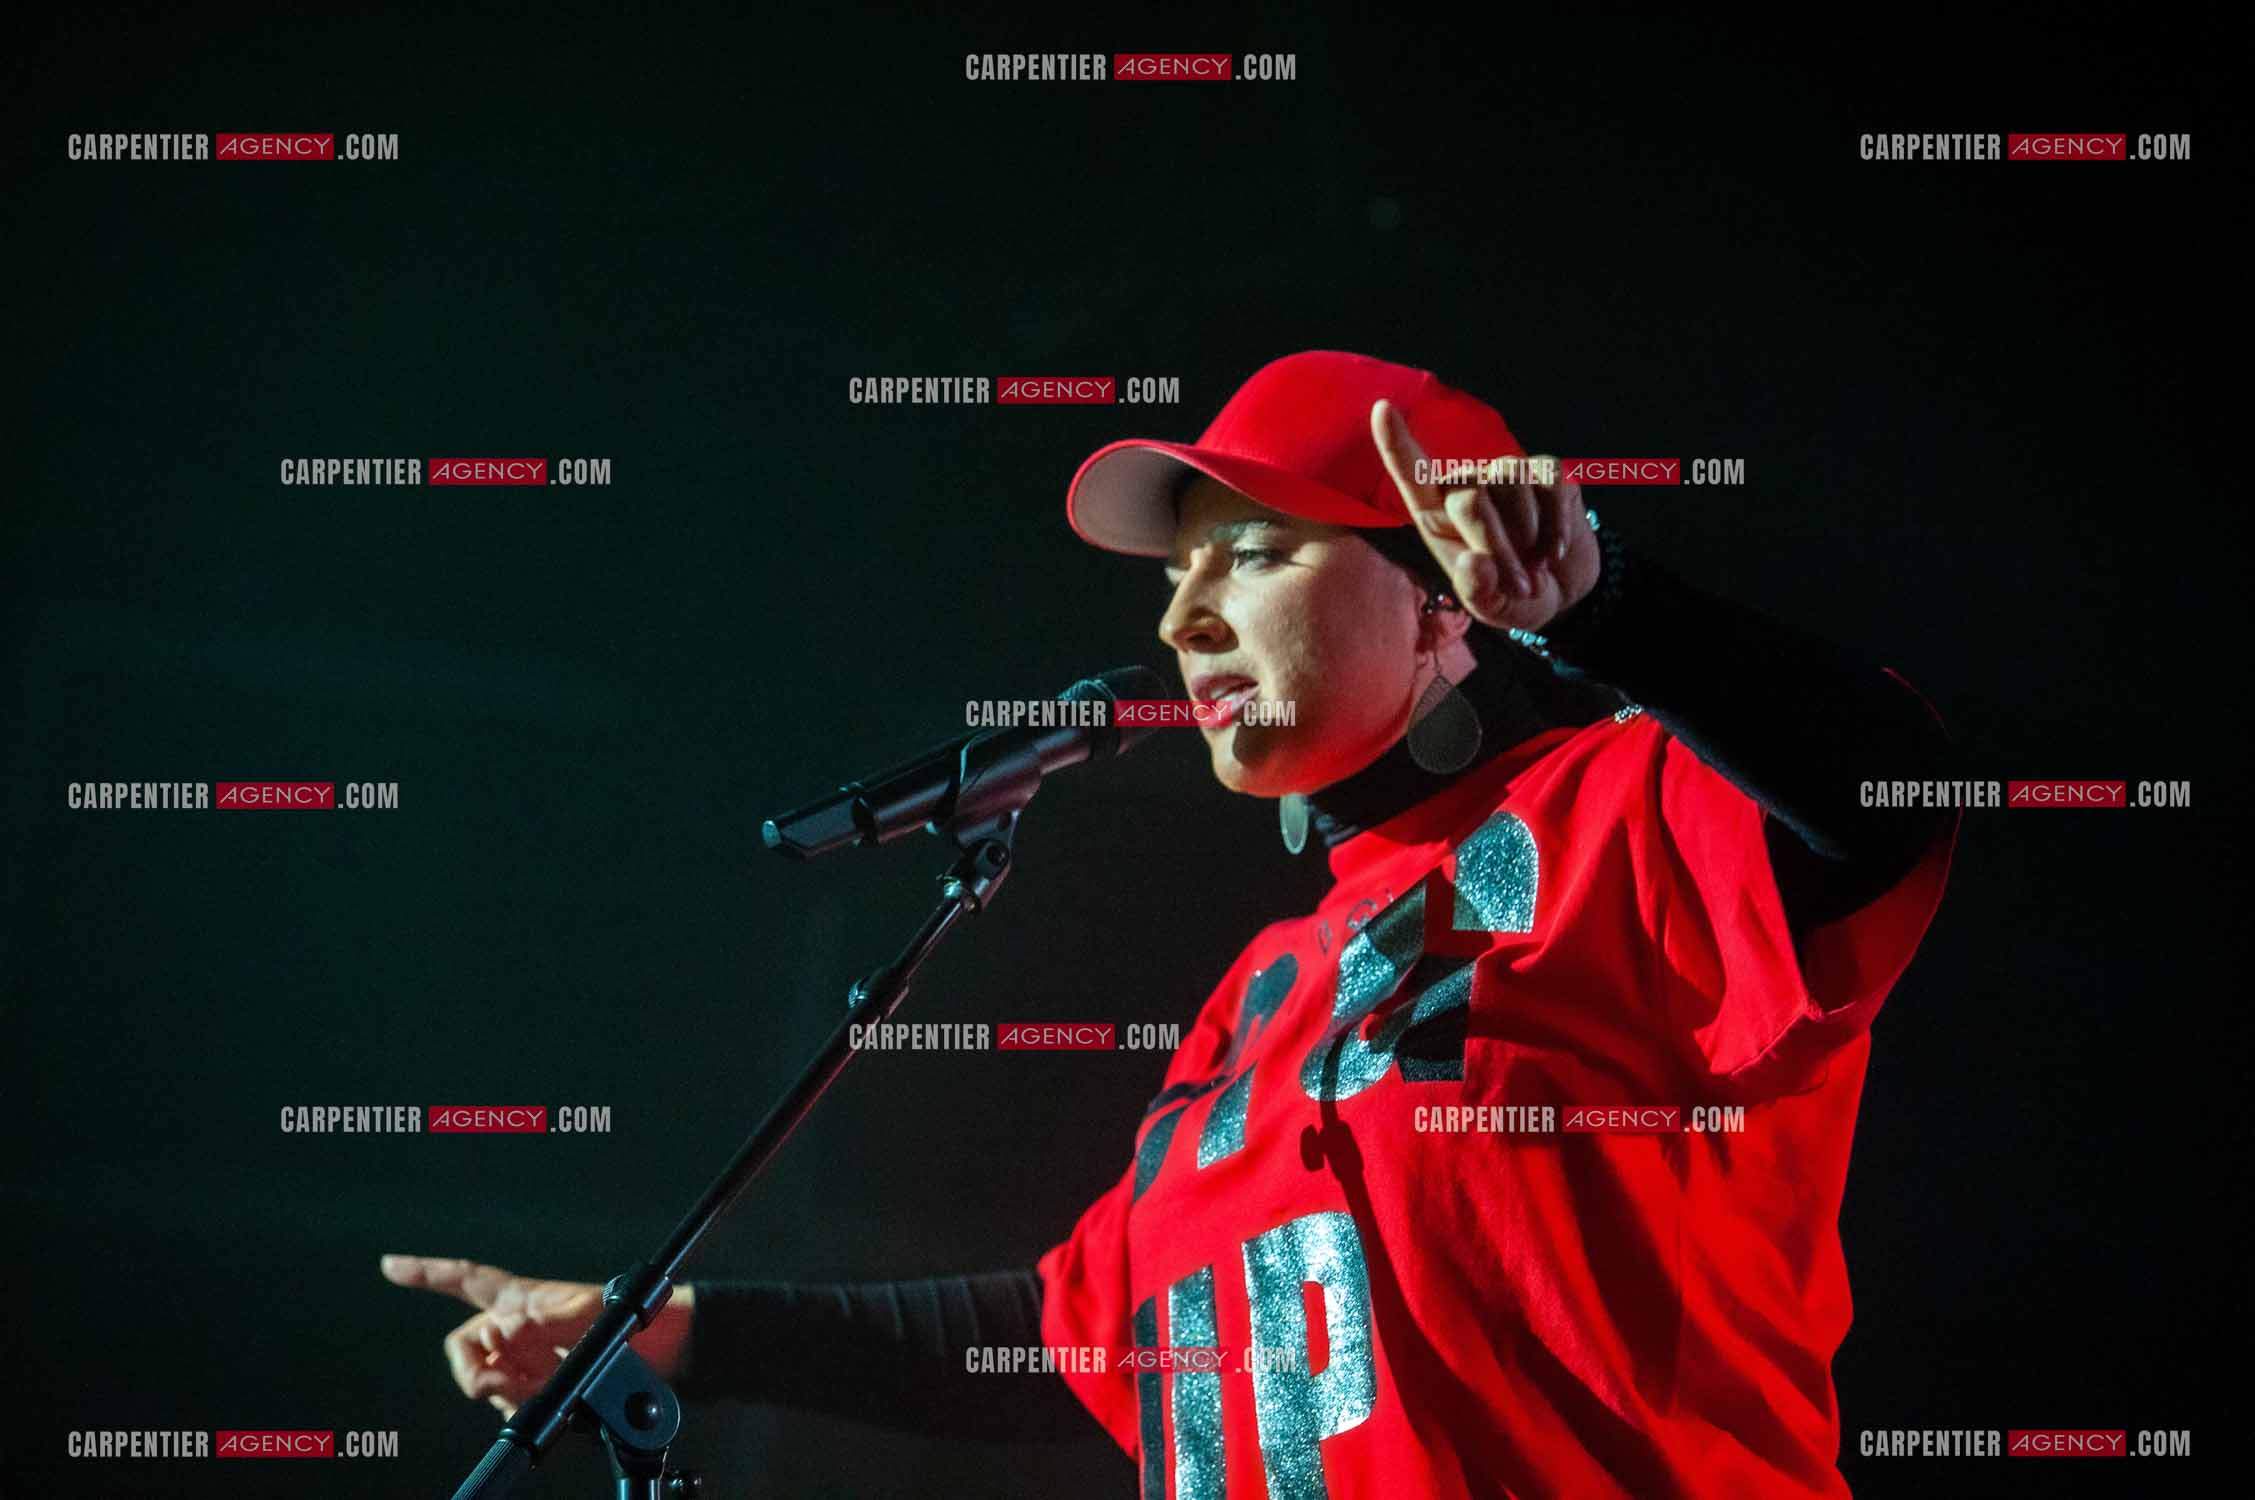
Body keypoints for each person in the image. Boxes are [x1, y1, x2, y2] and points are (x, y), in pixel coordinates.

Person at [385, 350, 1960, 1498]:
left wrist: (1618, 615)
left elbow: (1890, 790)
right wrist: (676, 1337)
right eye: (1179, 573)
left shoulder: (1626, 816)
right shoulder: (1261, 1001)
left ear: (1445, 598)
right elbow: (1087, 1340)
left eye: (1256, 556)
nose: (1179, 614)